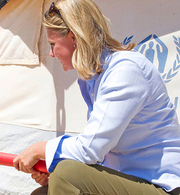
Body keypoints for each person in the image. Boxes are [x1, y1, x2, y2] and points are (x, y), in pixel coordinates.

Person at [13, 0, 180, 194]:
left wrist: (39, 150)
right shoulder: (94, 77)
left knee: (66, 174)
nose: (51, 54)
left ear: (74, 37)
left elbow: (90, 149)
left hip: (162, 186)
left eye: (52, 44)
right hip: (129, 178)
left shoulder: (124, 71)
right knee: (44, 190)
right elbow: (101, 152)